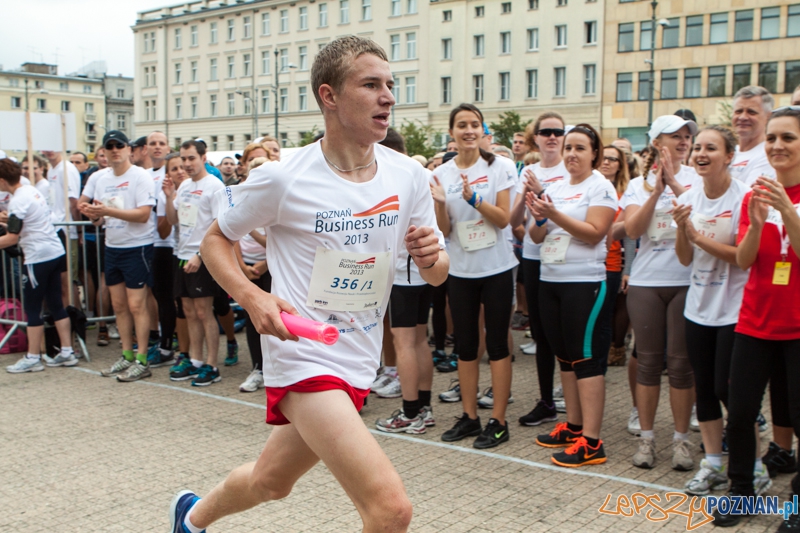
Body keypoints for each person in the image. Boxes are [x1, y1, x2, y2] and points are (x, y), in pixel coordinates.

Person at [169, 36, 448, 533]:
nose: (388, 96)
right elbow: (215, 241)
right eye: (370, 84)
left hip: (359, 353)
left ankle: (190, 520)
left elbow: (435, 272)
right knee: (390, 509)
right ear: (330, 96)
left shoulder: (407, 175)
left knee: (271, 481)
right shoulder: (283, 177)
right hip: (301, 349)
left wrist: (434, 257)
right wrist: (252, 297)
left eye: (390, 84)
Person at [712, 106, 800, 531]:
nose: (778, 146)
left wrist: (789, 211)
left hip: (798, 327)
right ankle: (741, 492)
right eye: (773, 138)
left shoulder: (785, 196)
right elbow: (746, 261)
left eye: (788, 138)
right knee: (742, 410)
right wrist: (755, 225)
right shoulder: (754, 195)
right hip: (754, 322)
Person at [526, 124, 617, 467]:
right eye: (568, 148)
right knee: (565, 356)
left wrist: (554, 215)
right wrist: (539, 219)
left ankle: (592, 442)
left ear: (595, 153)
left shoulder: (601, 187)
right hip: (551, 279)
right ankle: (575, 427)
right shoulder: (556, 188)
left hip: (585, 283)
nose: (572, 155)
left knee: (586, 358)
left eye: (581, 148)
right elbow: (537, 238)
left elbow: (595, 234)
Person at [670, 126, 749, 496]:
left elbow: (744, 259)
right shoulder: (688, 196)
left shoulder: (744, 197)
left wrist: (698, 236)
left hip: (734, 309)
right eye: (697, 148)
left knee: (728, 390)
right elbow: (685, 259)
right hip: (697, 307)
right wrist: (683, 231)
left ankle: (750, 464)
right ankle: (713, 464)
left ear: (729, 156)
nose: (700, 153)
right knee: (704, 389)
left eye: (711, 148)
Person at [431, 103, 516, 449]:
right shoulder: (442, 173)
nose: (468, 130)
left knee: (496, 344)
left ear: (483, 131)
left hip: (496, 268)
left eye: (475, 125)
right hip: (461, 270)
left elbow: (504, 218)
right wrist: (439, 203)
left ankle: (497, 421)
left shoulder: (500, 166)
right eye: (462, 125)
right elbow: (445, 230)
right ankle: (469, 416)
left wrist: (474, 197)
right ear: (451, 132)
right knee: (465, 346)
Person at [621, 114, 699, 471]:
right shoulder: (638, 185)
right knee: (649, 363)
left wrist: (678, 187)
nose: (683, 141)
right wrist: (657, 190)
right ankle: (648, 439)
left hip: (688, 280)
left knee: (682, 366)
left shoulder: (698, 178)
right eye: (675, 136)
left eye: (687, 136)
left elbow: (705, 220)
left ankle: (682, 441)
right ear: (657, 143)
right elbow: (633, 229)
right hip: (647, 282)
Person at [79, 131, 156, 383]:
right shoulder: (101, 179)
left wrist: (107, 210)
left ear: (128, 149)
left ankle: (142, 358)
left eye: (119, 145)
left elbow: (144, 214)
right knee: (119, 306)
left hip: (138, 246)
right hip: (112, 245)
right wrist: (93, 214)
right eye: (109, 146)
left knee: (136, 305)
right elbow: (102, 218)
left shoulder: (140, 176)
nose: (114, 150)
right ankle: (126, 354)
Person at [375, 128, 436, 434]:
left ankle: (411, 411)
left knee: (404, 342)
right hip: (422, 269)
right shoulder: (420, 174)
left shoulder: (399, 176)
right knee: (420, 339)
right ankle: (424, 408)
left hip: (405, 270)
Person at [511, 112, 566, 427]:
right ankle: (546, 401)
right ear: (536, 137)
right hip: (534, 256)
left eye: (558, 131)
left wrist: (543, 191)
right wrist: (526, 193)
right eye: (546, 131)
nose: (552, 137)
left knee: (565, 334)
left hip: (566, 260)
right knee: (542, 334)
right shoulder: (528, 170)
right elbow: (514, 220)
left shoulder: (571, 166)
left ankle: (571, 398)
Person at [0, 159, 78, 373]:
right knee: (55, 304)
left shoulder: (17, 201)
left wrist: (7, 229)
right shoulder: (30, 191)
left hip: (37, 257)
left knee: (32, 308)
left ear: (2, 181)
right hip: (54, 252)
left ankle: (33, 357)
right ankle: (67, 352)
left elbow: (12, 238)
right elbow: (25, 225)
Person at [163, 140, 226, 387]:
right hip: (181, 256)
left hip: (203, 258)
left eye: (191, 158)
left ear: (203, 157)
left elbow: (220, 226)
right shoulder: (185, 186)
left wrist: (200, 256)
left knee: (204, 311)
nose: (187, 164)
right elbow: (172, 220)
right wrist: (169, 197)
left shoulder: (215, 186)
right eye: (183, 159)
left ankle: (212, 365)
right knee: (189, 312)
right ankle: (195, 360)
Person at [146, 131, 177, 368]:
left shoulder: (205, 184)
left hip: (188, 251)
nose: (179, 171)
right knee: (161, 296)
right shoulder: (154, 182)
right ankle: (165, 344)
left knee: (194, 305)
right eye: (152, 144)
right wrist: (169, 202)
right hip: (162, 246)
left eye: (161, 143)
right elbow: (164, 229)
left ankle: (172, 346)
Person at [40, 149, 81, 308]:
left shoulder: (67, 169)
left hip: (67, 230)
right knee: (60, 280)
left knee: (70, 280)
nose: (50, 151)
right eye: (46, 147)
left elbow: (74, 202)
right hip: (54, 230)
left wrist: (77, 230)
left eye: (53, 146)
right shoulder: (51, 170)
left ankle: (77, 324)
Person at [730, 86, 776, 186]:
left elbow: (748, 196)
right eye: (738, 111)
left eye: (751, 112)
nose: (742, 117)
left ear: (768, 117)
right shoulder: (727, 151)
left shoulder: (769, 154)